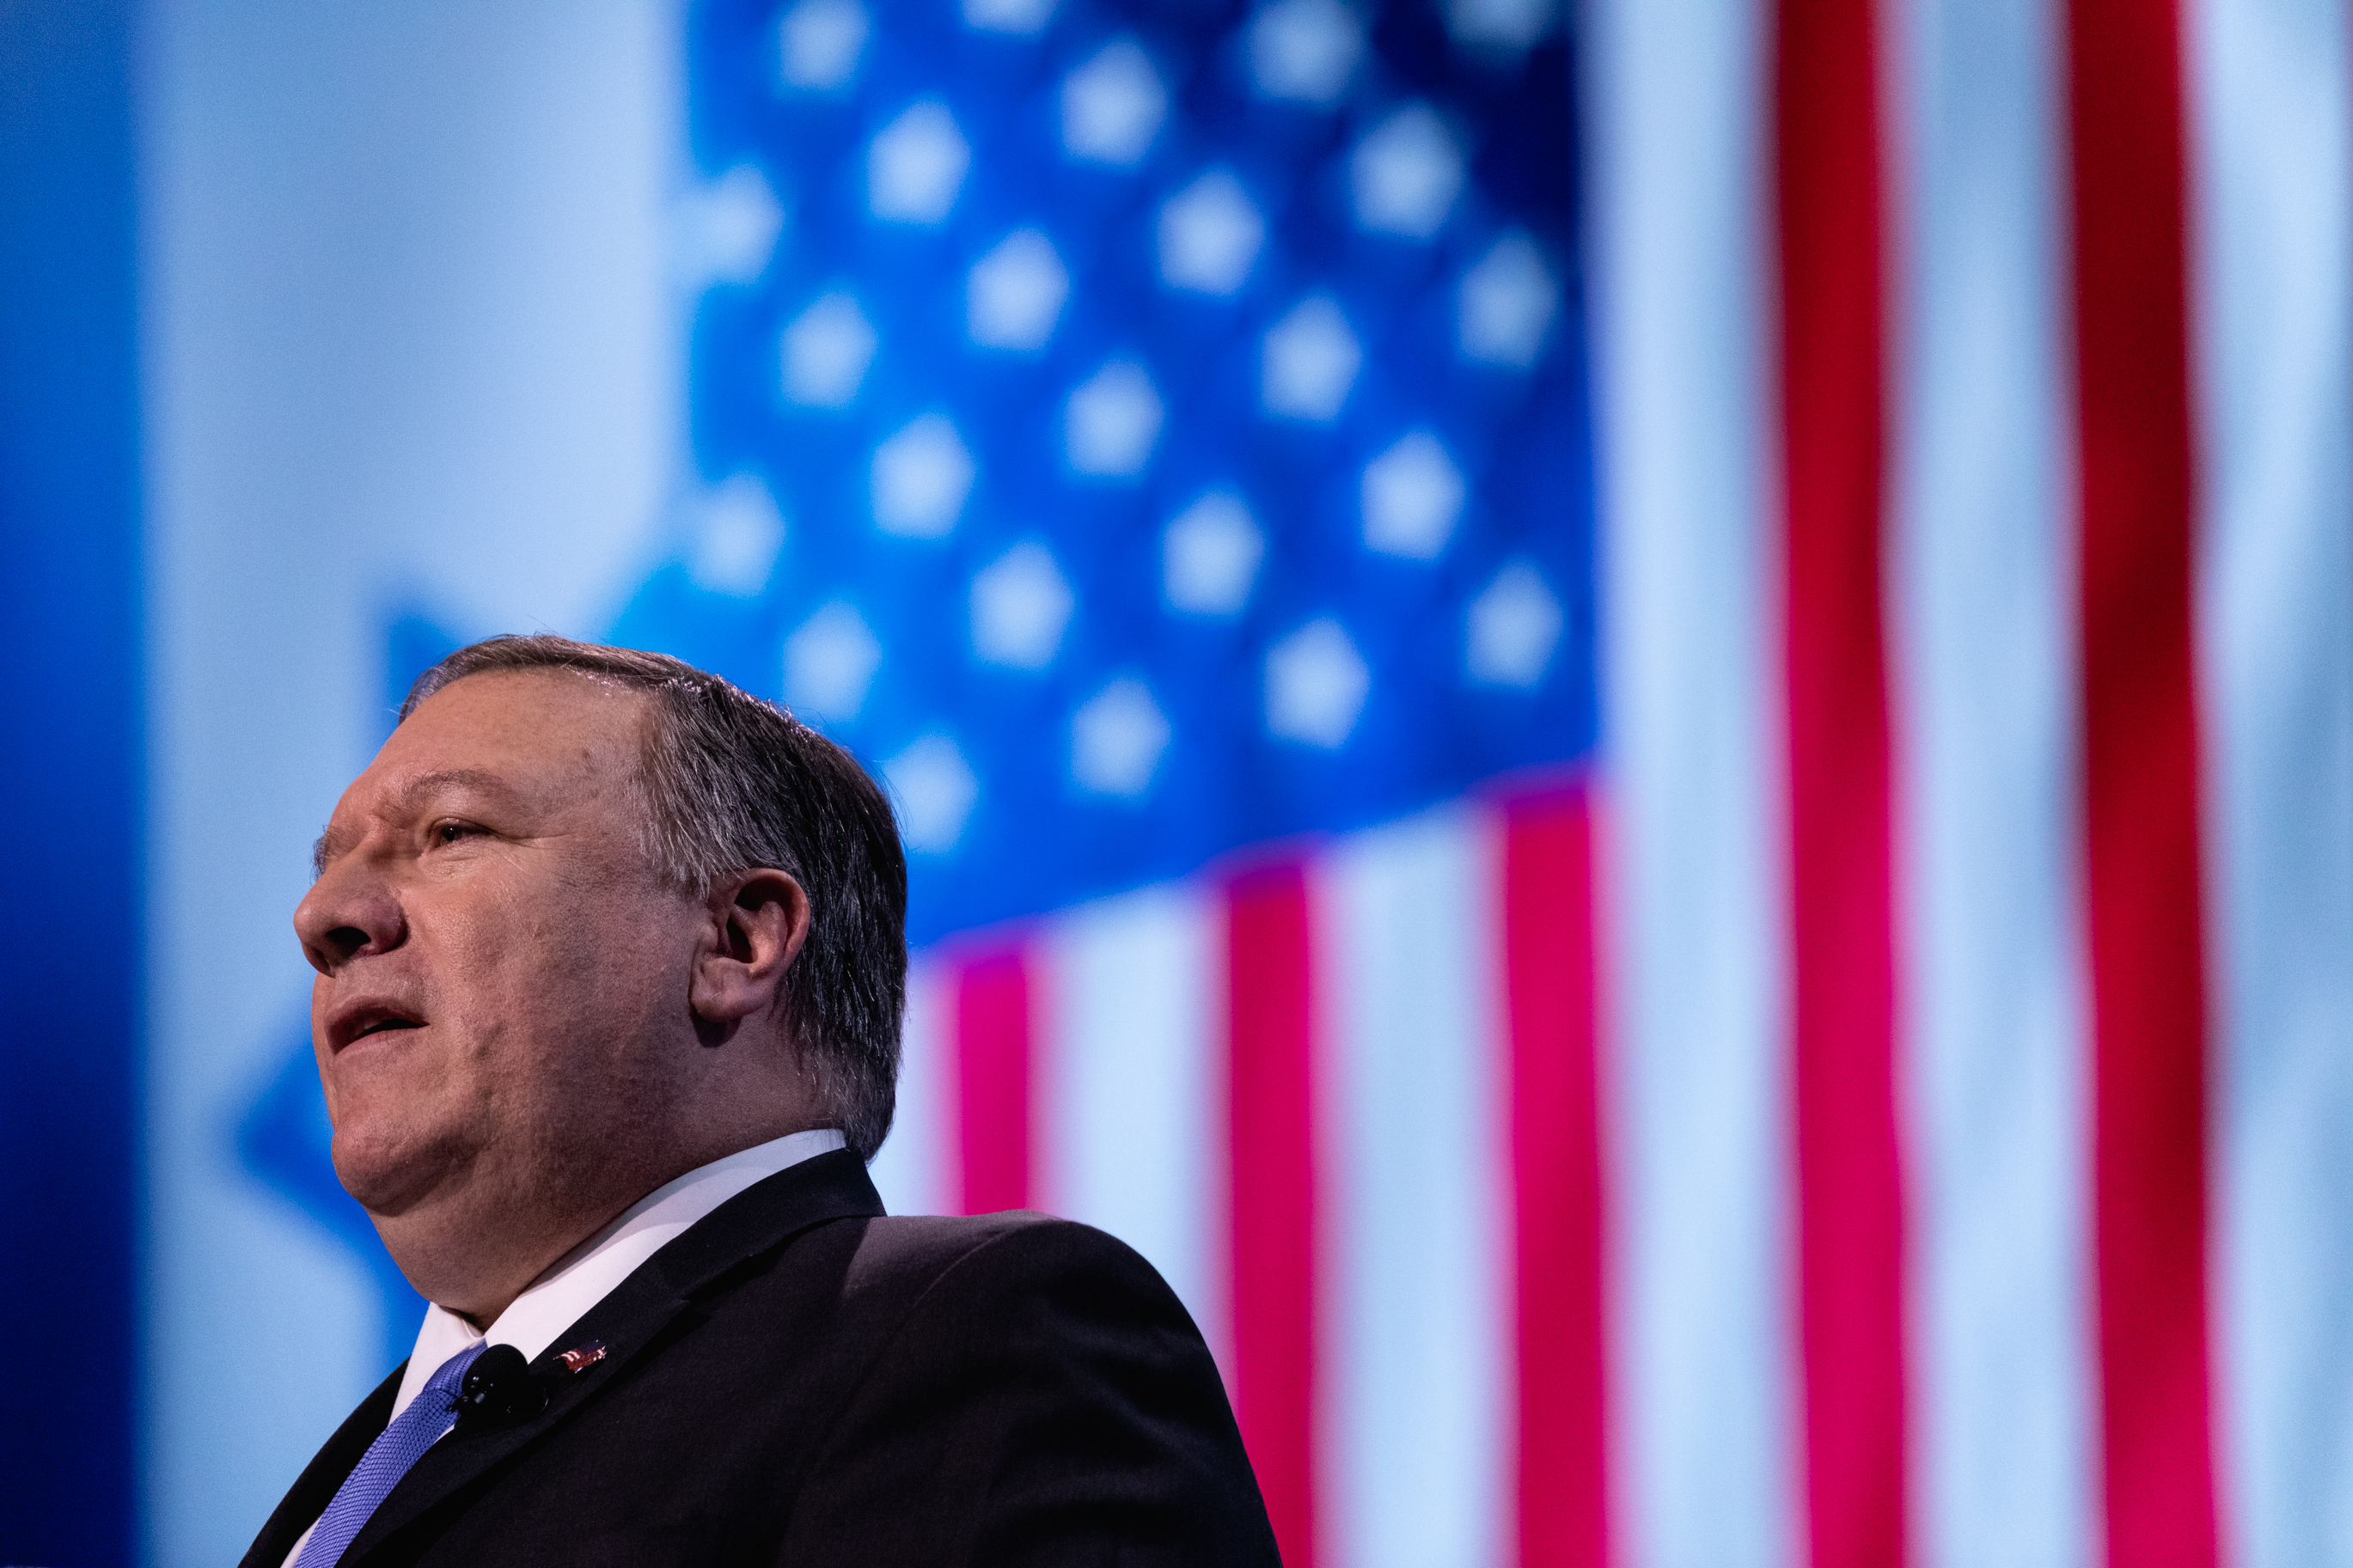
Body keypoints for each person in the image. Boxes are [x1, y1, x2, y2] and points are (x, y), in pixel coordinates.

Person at [241, 635, 1280, 1567]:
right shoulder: (364, 1470)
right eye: (331, 865)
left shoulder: (977, 1332)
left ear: (735, 941)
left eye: (453, 830)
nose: (324, 915)